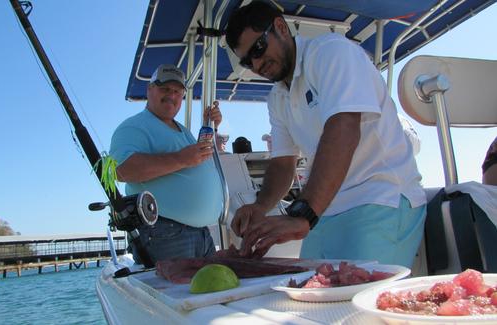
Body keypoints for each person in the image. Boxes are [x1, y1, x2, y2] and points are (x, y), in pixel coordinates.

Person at [224, 1, 427, 267]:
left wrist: (303, 214)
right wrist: (260, 207)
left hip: (379, 197)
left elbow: (344, 128)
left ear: (281, 27)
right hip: (325, 209)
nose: (257, 63)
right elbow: (283, 162)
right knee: (313, 299)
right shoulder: (278, 97)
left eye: (259, 49)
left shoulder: (331, 52)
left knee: (354, 304)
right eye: (247, 60)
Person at [109, 64, 223, 264]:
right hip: (166, 234)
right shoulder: (133, 126)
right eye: (165, 89)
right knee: (180, 294)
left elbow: (195, 158)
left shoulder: (183, 130)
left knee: (208, 293)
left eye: (178, 92)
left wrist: (209, 125)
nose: (172, 95)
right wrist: (181, 158)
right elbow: (121, 170)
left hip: (201, 234)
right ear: (149, 89)